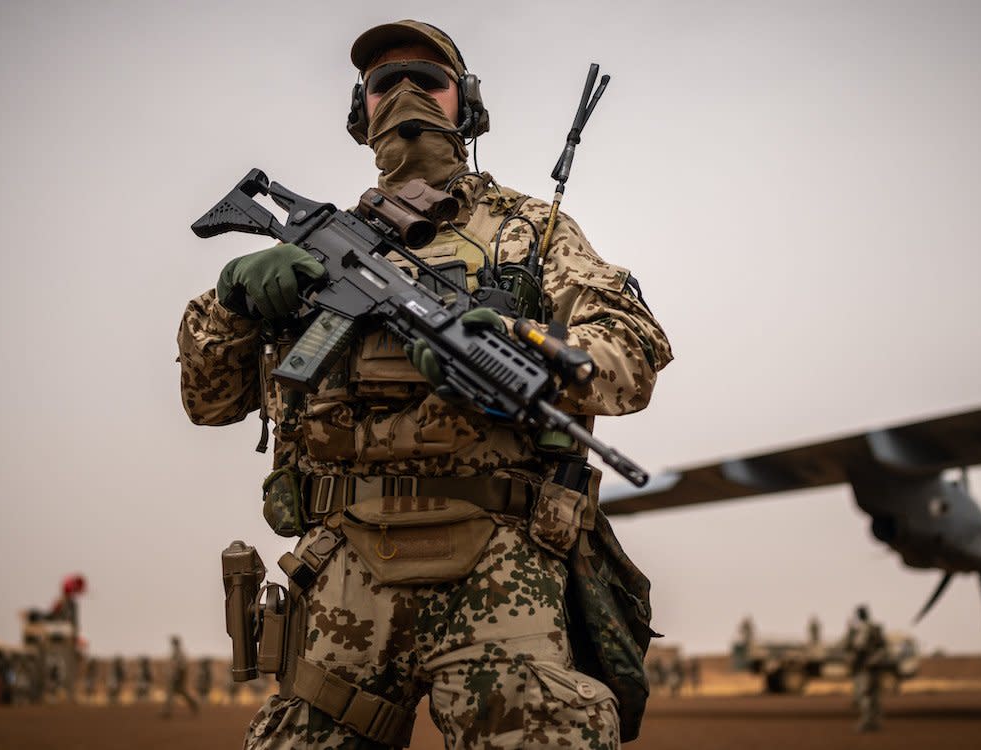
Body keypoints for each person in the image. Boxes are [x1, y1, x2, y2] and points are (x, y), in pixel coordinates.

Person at [178, 19, 671, 750]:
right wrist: (231, 303)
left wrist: (514, 347)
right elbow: (209, 402)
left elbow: (631, 353)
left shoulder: (530, 233)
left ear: (464, 103)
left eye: (428, 80)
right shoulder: (317, 248)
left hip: (502, 567)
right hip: (340, 570)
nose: (406, 94)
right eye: (383, 83)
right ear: (362, 111)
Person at [846, 605, 886, 732]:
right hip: (872, 667)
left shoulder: (863, 630)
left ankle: (868, 722)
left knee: (865, 695)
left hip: (865, 668)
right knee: (873, 695)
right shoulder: (875, 628)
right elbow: (882, 647)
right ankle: (874, 721)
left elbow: (858, 647)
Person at [160, 636, 200, 717]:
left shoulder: (179, 652)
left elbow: (180, 665)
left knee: (174, 692)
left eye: (174, 642)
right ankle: (193, 704)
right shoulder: (177, 651)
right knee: (179, 691)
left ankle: (167, 712)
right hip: (178, 674)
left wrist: (176, 675)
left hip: (179, 675)